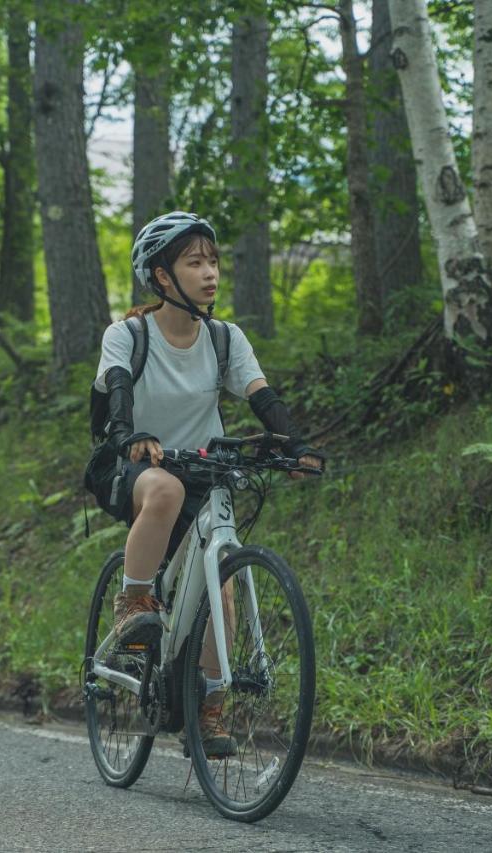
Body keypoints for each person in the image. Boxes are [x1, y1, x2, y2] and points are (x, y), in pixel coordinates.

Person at [92, 211, 323, 757]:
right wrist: (130, 437)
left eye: (214, 261)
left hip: (201, 467)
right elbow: (118, 393)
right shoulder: (127, 334)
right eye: (194, 262)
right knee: (165, 491)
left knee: (221, 586)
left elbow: (261, 396)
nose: (210, 273)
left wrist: (294, 446)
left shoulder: (224, 338)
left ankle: (208, 705)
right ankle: (133, 601)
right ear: (163, 276)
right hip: (130, 465)